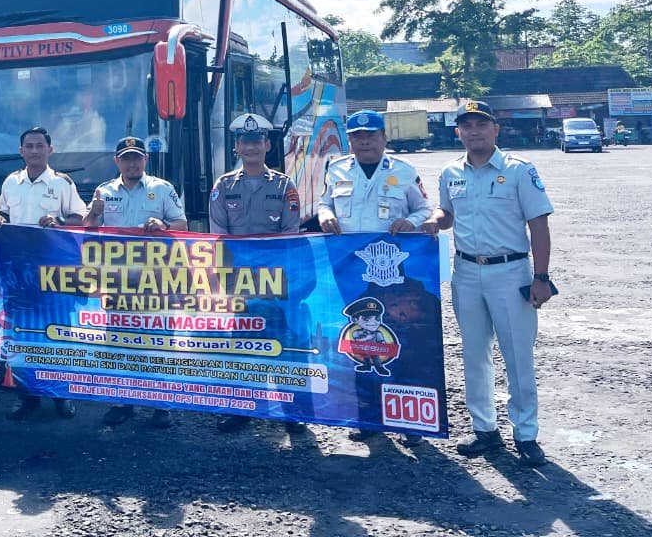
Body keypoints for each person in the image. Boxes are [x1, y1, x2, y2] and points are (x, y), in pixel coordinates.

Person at [420, 100, 556, 468]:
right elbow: (447, 214)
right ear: (458, 131)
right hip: (466, 272)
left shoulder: (518, 171)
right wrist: (435, 219)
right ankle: (485, 431)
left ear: (496, 129)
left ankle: (525, 433)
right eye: (466, 125)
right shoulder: (451, 172)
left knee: (517, 355)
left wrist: (540, 278)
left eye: (481, 124)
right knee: (474, 355)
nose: (473, 131)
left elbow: (538, 225)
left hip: (510, 272)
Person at [319, 110, 431, 447]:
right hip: (350, 270)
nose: (364, 140)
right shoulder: (336, 169)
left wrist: (410, 223)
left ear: (384, 137)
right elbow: (324, 204)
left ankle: (408, 420)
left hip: (392, 273)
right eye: (357, 135)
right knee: (359, 343)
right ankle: (368, 416)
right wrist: (324, 215)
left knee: (401, 340)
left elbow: (424, 209)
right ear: (350, 139)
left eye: (371, 134)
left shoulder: (403, 171)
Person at [208, 112, 302, 434]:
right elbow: (219, 235)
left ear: (268, 145)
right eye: (245, 142)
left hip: (274, 280)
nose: (251, 148)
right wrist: (221, 280)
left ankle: (293, 411)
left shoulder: (284, 186)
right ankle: (243, 408)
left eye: (257, 142)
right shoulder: (223, 187)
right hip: (239, 283)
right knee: (243, 344)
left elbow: (291, 233)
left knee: (282, 343)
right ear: (236, 147)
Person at [86, 136, 185, 429]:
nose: (132, 163)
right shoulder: (104, 191)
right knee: (118, 340)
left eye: (136, 158)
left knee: (159, 340)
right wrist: (94, 211)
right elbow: (88, 227)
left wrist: (164, 226)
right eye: (126, 158)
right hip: (117, 280)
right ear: (117, 162)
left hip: (155, 279)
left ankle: (161, 404)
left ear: (145, 160)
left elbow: (182, 225)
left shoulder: (163, 189)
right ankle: (122, 401)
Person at [0, 126, 86, 420]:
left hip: (54, 271)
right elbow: (4, 214)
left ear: (50, 149)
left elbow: (80, 218)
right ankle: (27, 395)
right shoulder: (11, 182)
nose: (34, 151)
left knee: (58, 331)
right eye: (29, 146)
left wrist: (59, 220)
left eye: (39, 146)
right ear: (21, 151)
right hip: (20, 273)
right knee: (22, 333)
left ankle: (62, 394)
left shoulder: (62, 183)